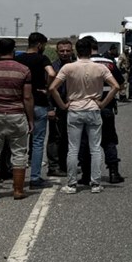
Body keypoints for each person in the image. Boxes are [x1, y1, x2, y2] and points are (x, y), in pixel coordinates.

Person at [48, 36, 120, 194]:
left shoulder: (68, 68)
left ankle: (72, 184)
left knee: (73, 149)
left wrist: (62, 105)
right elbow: (115, 86)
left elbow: (53, 88)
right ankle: (95, 183)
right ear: (91, 51)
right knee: (95, 148)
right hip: (93, 108)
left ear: (76, 51)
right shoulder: (100, 68)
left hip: (74, 109)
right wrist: (102, 103)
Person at [0, 37, 33, 201]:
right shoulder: (24, 70)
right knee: (18, 153)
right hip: (16, 114)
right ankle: (17, 190)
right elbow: (28, 97)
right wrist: (30, 119)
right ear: (14, 49)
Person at [15, 32, 56, 189]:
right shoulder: (42, 59)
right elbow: (52, 73)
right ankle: (35, 177)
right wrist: (47, 87)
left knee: (18, 142)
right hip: (39, 101)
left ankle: (17, 177)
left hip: (20, 103)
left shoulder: (18, 59)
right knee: (38, 142)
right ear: (39, 45)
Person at [90, 42, 126, 184]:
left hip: (85, 108)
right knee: (109, 140)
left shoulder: (79, 63)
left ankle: (87, 175)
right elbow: (120, 84)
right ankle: (113, 172)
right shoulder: (108, 63)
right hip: (106, 107)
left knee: (85, 142)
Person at [46, 39, 75, 177]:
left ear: (72, 51)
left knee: (69, 137)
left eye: (67, 51)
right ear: (57, 52)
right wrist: (50, 108)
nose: (64, 53)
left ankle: (65, 164)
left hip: (73, 107)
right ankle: (53, 166)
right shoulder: (53, 68)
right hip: (57, 107)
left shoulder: (76, 66)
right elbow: (48, 90)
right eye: (62, 51)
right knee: (55, 137)